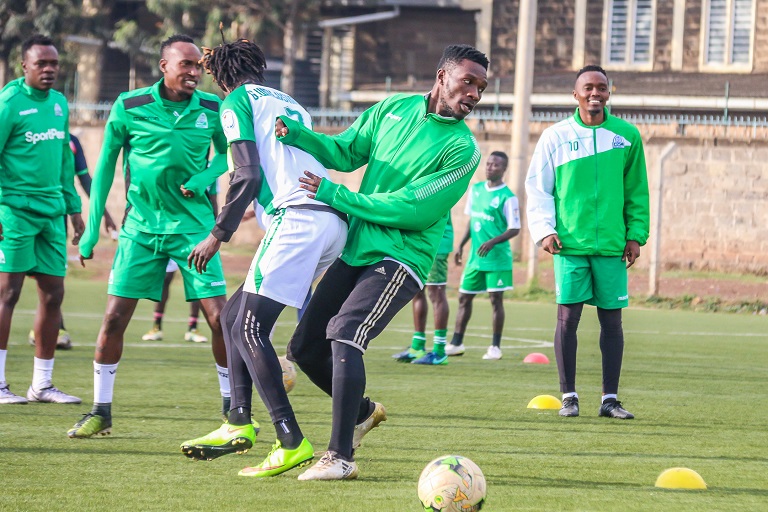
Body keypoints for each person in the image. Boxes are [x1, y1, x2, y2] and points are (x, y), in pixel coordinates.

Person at [275, 43, 489, 480]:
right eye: (468, 81)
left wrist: (337, 194)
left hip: (401, 258)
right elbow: (347, 151)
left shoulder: (464, 150)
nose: (474, 94)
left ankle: (340, 458)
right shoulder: (393, 107)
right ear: (442, 75)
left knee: (346, 331)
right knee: (304, 347)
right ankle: (364, 412)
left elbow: (414, 208)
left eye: (482, 88)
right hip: (358, 249)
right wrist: (297, 135)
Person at [179, 39, 347, 478]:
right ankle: (237, 422)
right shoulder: (292, 103)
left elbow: (248, 172)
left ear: (221, 75)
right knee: (234, 316)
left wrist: (218, 233)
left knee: (249, 327)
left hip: (298, 220)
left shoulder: (235, 101)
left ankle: (290, 439)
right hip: (327, 221)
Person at [67, 34, 231, 438]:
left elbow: (231, 154)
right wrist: (89, 231)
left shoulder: (213, 107)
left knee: (220, 320)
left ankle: (234, 412)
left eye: (198, 66)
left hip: (194, 230)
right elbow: (104, 167)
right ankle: (101, 411)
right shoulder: (130, 105)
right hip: (139, 230)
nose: (194, 72)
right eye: (186, 65)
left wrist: (207, 175)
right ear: (164, 67)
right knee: (113, 318)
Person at [525, 65, 649, 420]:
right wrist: (544, 230)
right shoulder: (555, 136)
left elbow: (637, 191)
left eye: (601, 88)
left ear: (609, 92)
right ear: (575, 95)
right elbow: (538, 187)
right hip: (570, 245)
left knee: (612, 324)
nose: (595, 93)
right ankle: (569, 396)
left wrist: (635, 234)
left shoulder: (626, 135)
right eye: (588, 88)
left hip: (612, 246)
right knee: (568, 321)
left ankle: (610, 399)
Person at [0, 34, 84, 405]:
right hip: (13, 211)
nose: (49, 70)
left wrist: (74, 208)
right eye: (41, 64)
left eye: (54, 64)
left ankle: (42, 385)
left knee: (53, 293)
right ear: (24, 66)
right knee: (7, 293)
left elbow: (65, 162)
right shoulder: (9, 102)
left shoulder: (59, 104)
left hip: (52, 213)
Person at [26, 133, 117, 350]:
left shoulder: (72, 141)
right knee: (11, 284)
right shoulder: (25, 129)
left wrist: (105, 214)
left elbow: (85, 179)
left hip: (57, 219)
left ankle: (54, 329)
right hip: (20, 214)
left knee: (52, 278)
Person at [446, 151, 520, 360]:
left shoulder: (508, 197)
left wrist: (492, 241)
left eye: (495, 165)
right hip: (475, 258)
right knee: (463, 298)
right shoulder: (476, 190)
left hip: (497, 258)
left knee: (496, 300)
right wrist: (461, 245)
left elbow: (515, 229)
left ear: (504, 169)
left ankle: (495, 347)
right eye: (488, 164)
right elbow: (472, 221)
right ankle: (457, 343)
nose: (490, 167)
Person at [142, 182, 220, 343]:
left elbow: (213, 200)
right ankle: (156, 326)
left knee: (197, 281)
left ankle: (193, 328)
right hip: (168, 231)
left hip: (195, 234)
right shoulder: (174, 163)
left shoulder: (210, 170)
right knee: (165, 279)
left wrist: (213, 234)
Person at [392, 215, 453, 365]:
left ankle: (439, 351)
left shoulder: (440, 190)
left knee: (436, 292)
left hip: (436, 243)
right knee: (417, 290)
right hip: (419, 242)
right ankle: (418, 346)